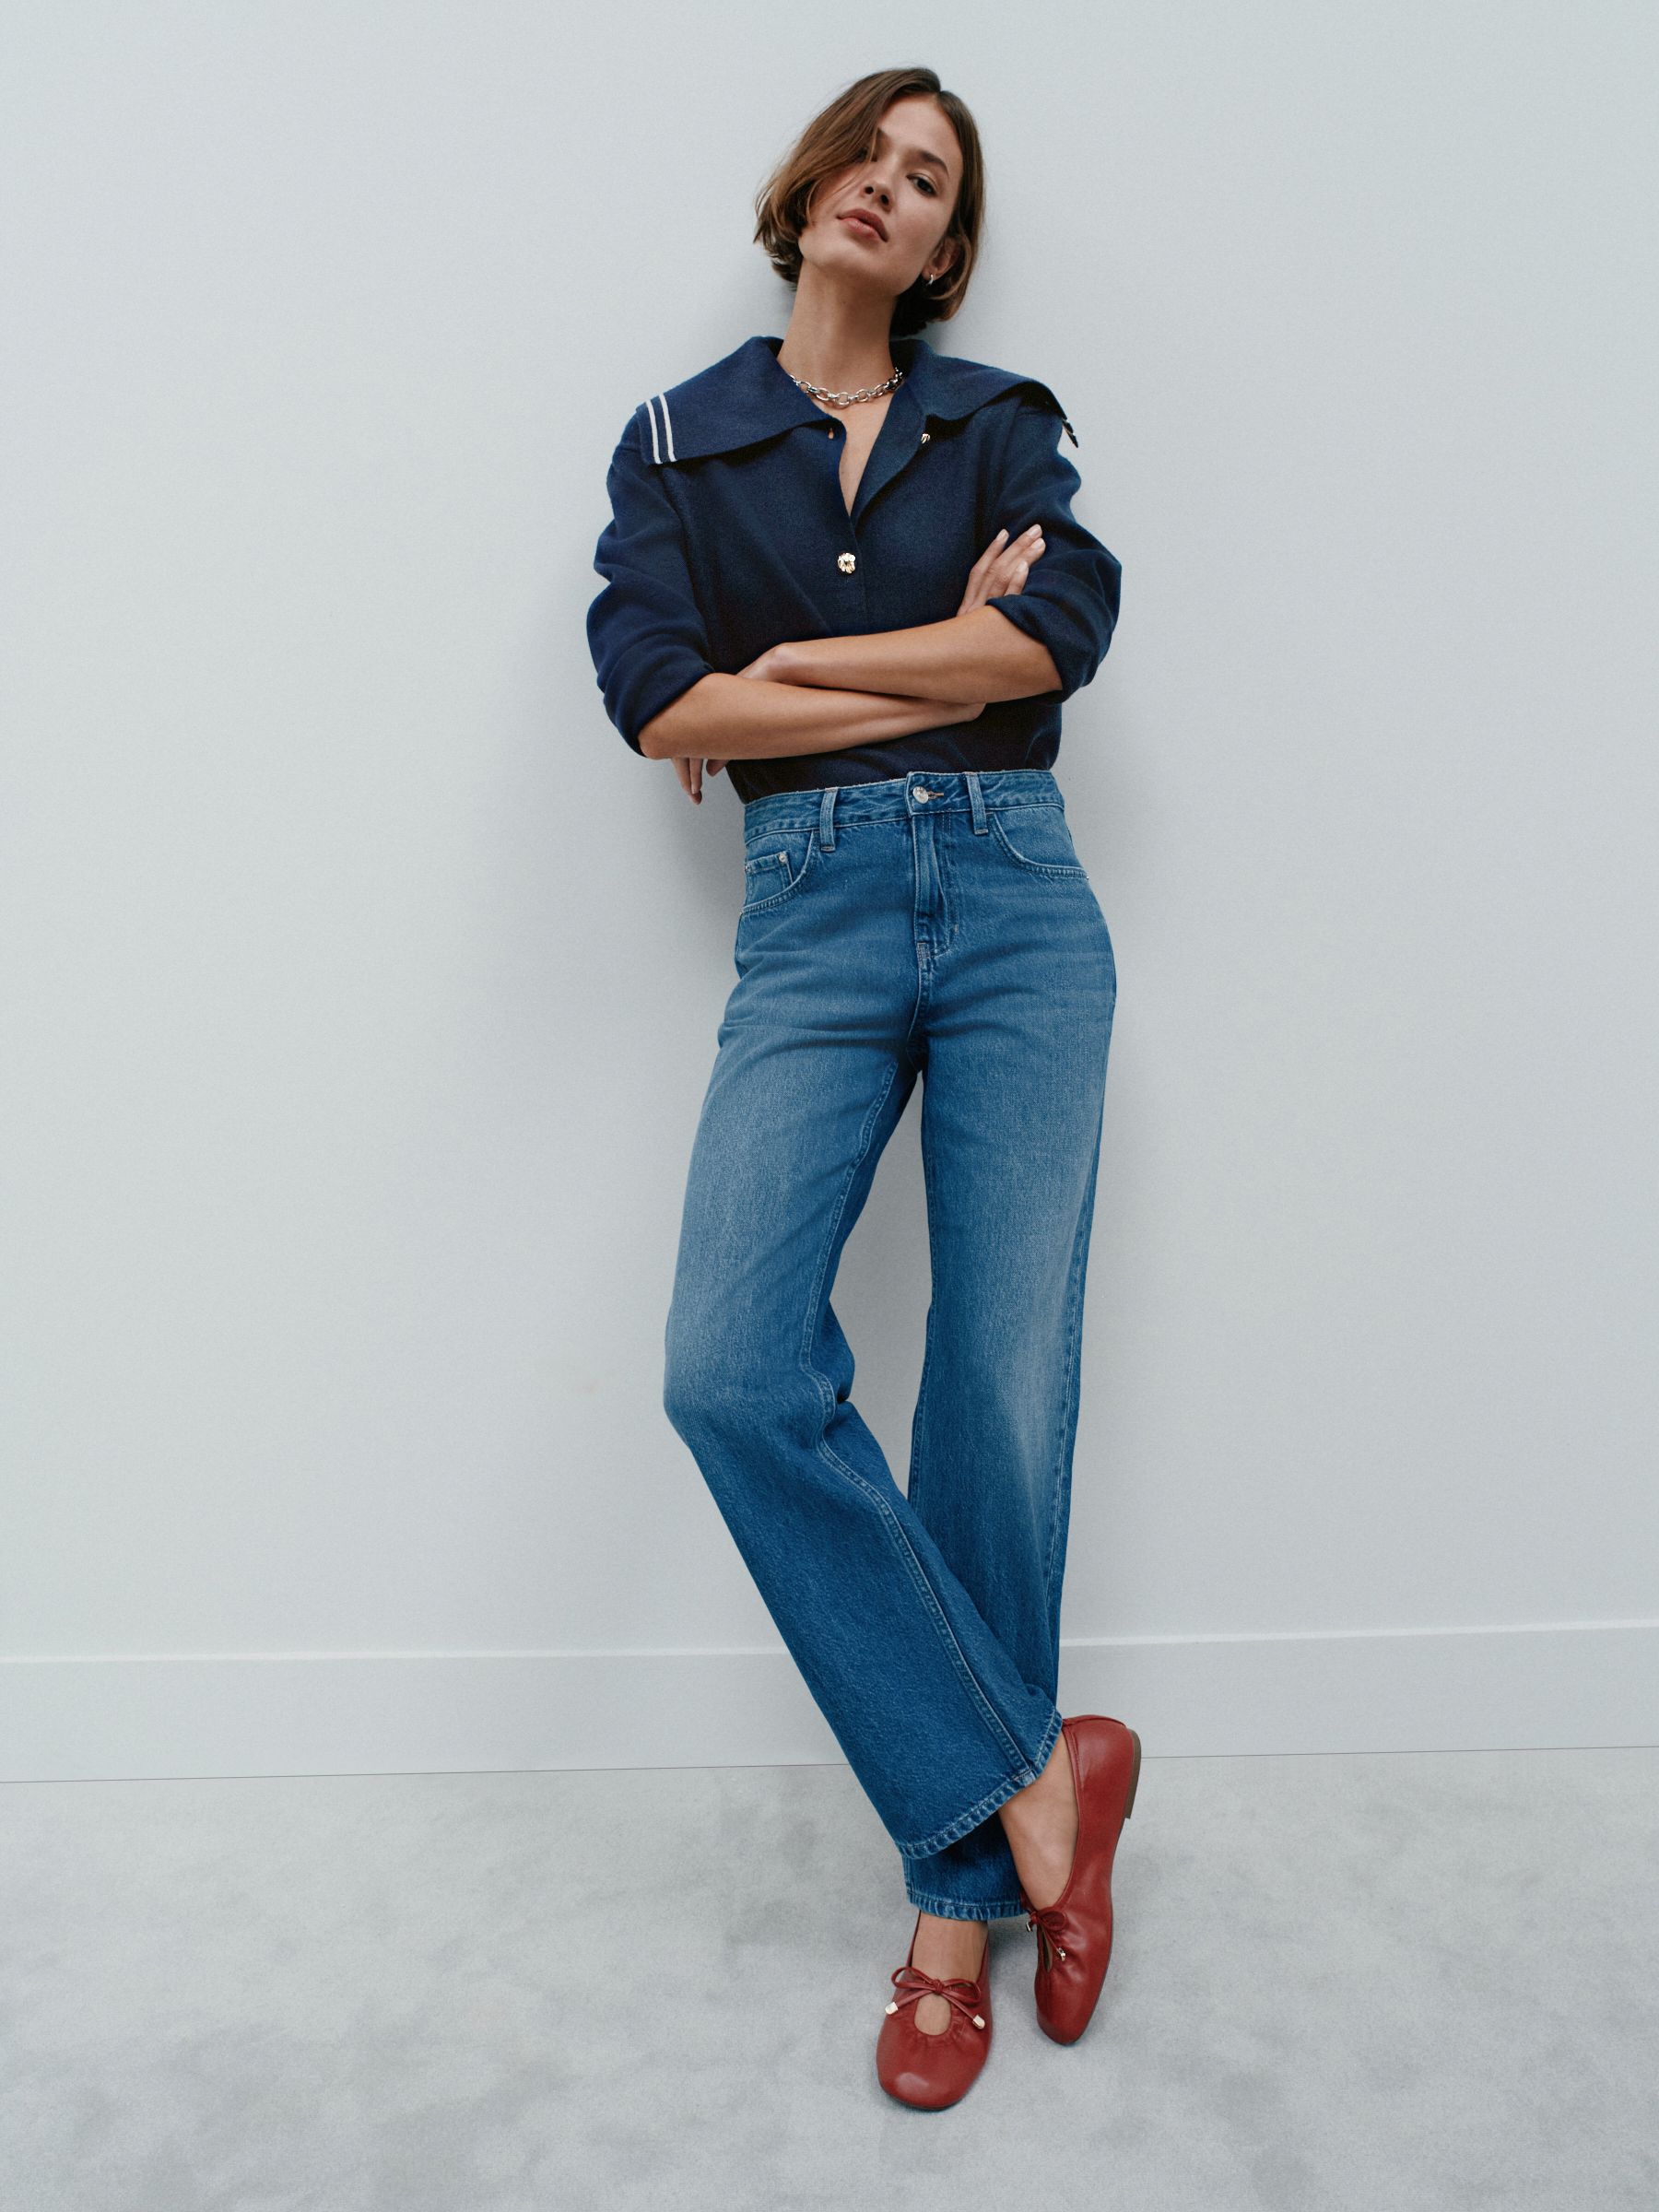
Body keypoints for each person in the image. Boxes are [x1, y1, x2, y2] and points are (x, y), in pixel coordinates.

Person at [585, 65, 1141, 2110]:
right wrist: (924, 647)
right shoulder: (676, 441)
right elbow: (657, 703)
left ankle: (949, 1918)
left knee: (997, 1383)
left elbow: (1056, 641)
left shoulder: (1000, 421)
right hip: (811, 914)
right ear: (810, 180)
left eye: (929, 181)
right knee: (729, 1371)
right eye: (869, 156)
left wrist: (792, 681)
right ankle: (1036, 1779)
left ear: (944, 244)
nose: (886, 192)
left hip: (1016, 903)